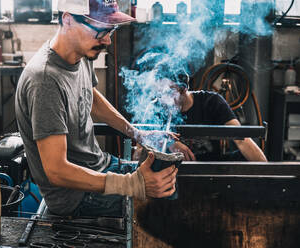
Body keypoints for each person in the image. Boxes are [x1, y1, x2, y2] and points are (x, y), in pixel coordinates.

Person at [15, 0, 179, 217]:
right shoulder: (45, 81)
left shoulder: (80, 53)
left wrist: (137, 133)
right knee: (166, 204)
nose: (108, 41)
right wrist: (132, 185)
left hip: (99, 165)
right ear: (68, 20)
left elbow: (90, 97)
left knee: (172, 180)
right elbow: (56, 171)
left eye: (111, 30)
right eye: (101, 30)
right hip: (74, 197)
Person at [166, 82, 268, 162]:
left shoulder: (212, 101)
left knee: (241, 157)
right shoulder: (158, 107)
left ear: (184, 89)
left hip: (210, 166)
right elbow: (150, 136)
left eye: (170, 92)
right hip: (173, 171)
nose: (165, 99)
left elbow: (242, 140)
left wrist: (267, 176)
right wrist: (169, 142)